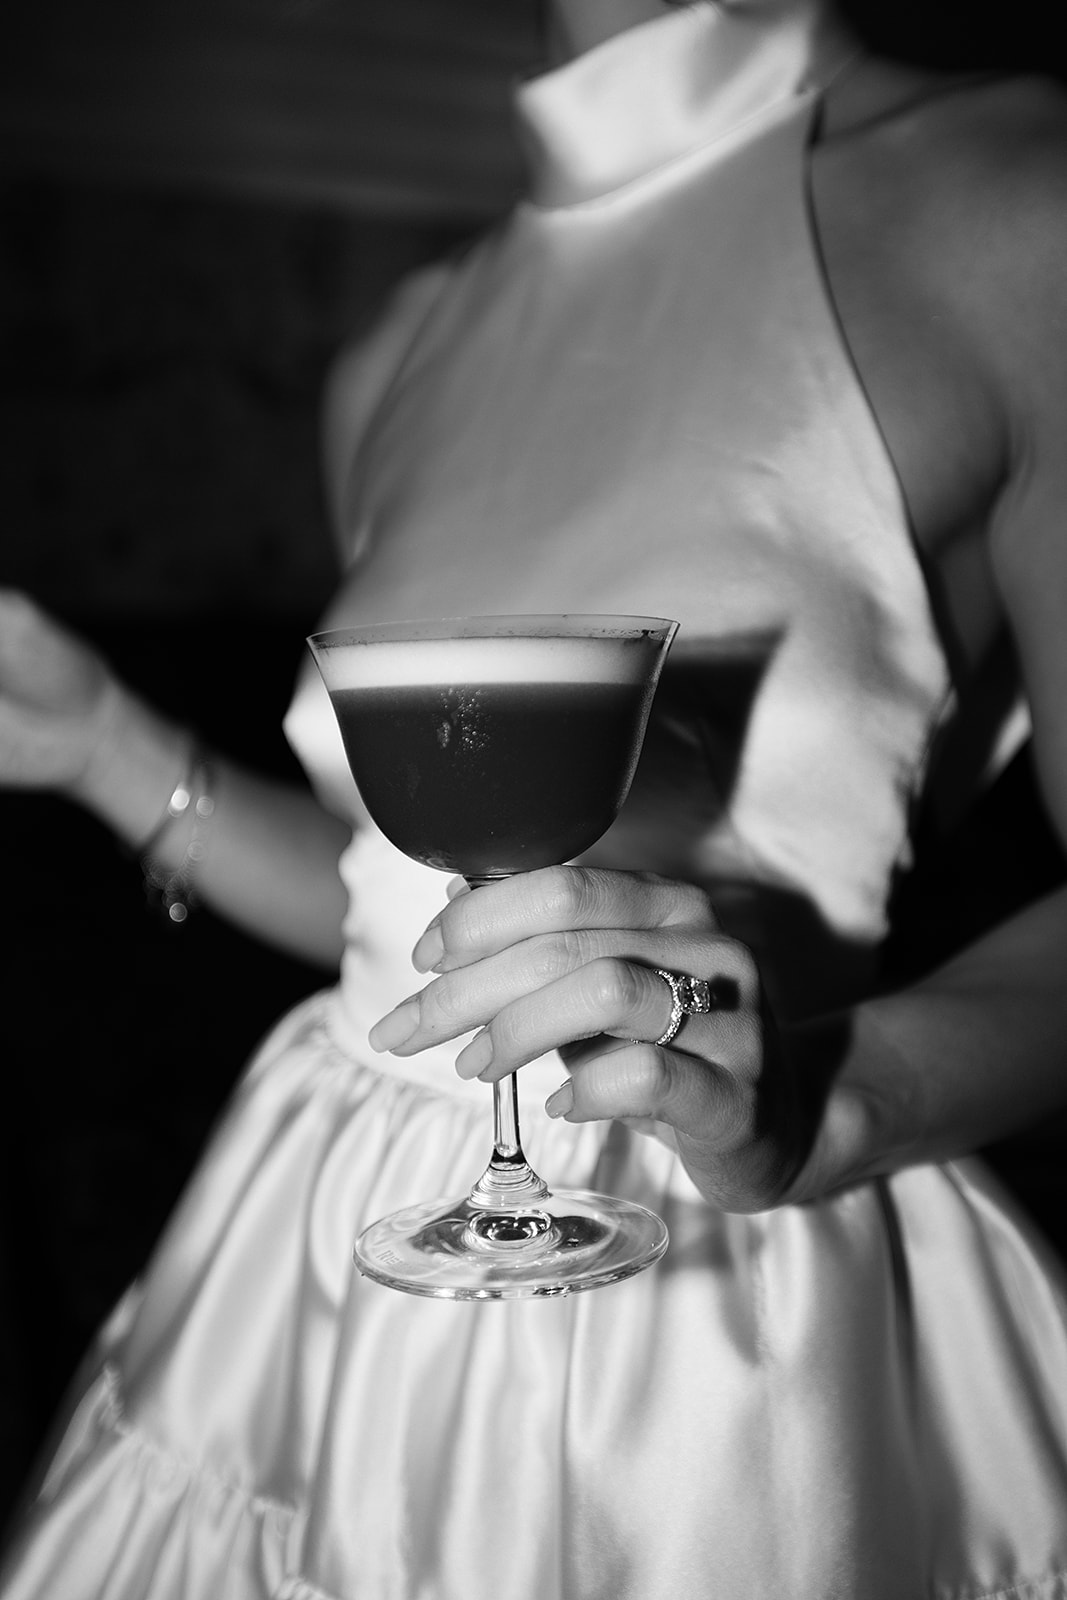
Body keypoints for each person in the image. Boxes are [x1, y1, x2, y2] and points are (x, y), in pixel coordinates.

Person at [2, 0, 1067, 1593]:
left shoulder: (1013, 200)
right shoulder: (399, 348)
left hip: (729, 1328)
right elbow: (419, 922)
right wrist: (103, 744)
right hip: (308, 1283)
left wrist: (825, 1104)